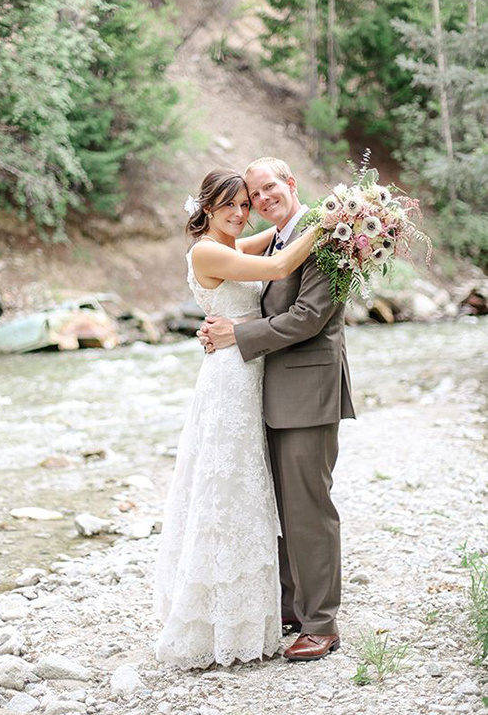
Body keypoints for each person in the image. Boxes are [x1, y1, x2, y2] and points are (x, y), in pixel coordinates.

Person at [153, 167, 318, 669]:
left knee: (247, 489)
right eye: (229, 205)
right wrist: (338, 218)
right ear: (205, 207)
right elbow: (284, 261)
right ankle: (217, 618)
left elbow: (282, 232)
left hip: (247, 370)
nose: (240, 213)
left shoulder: (235, 242)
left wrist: (317, 214)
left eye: (245, 204)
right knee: (227, 489)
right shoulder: (208, 249)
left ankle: (257, 610)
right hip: (231, 377)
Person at [199, 157, 355, 662]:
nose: (259, 202)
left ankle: (322, 623)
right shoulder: (282, 238)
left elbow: (309, 318)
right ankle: (293, 602)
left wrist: (236, 334)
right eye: (250, 197)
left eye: (268, 189)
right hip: (266, 391)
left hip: (307, 394)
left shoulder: (329, 235)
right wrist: (222, 323)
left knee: (309, 509)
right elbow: (240, 278)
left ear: (291, 184)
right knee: (280, 505)